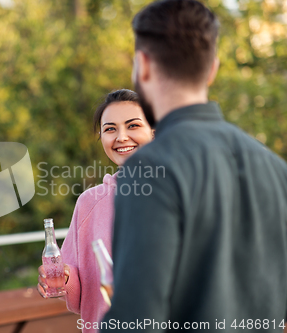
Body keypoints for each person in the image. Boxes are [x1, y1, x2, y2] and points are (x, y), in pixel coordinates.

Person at [102, 1, 287, 332]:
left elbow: (135, 320)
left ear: (143, 65)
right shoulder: (275, 168)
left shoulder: (148, 168)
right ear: (212, 68)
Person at [37, 89, 154, 332]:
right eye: (110, 129)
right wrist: (64, 278)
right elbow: (78, 288)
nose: (121, 137)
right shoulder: (89, 202)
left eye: (133, 126)